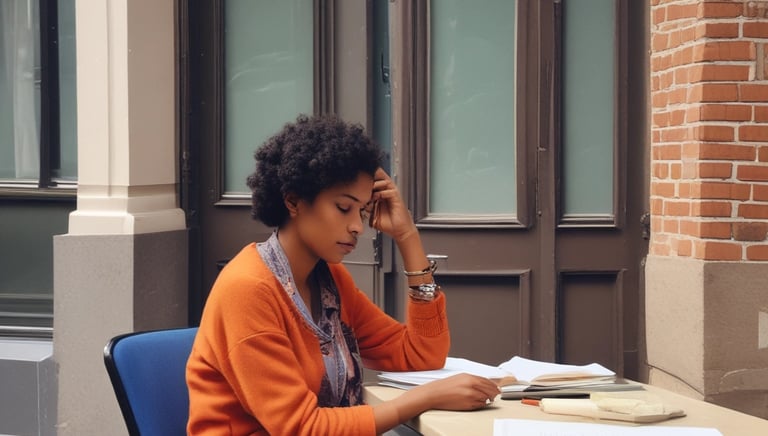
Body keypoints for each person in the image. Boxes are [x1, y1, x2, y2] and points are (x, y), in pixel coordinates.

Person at [186, 114, 500, 435]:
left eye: (362, 211)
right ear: (293, 200)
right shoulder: (248, 289)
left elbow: (421, 354)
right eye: (343, 207)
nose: (357, 227)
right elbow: (302, 428)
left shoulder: (329, 281)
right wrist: (425, 397)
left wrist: (407, 237)